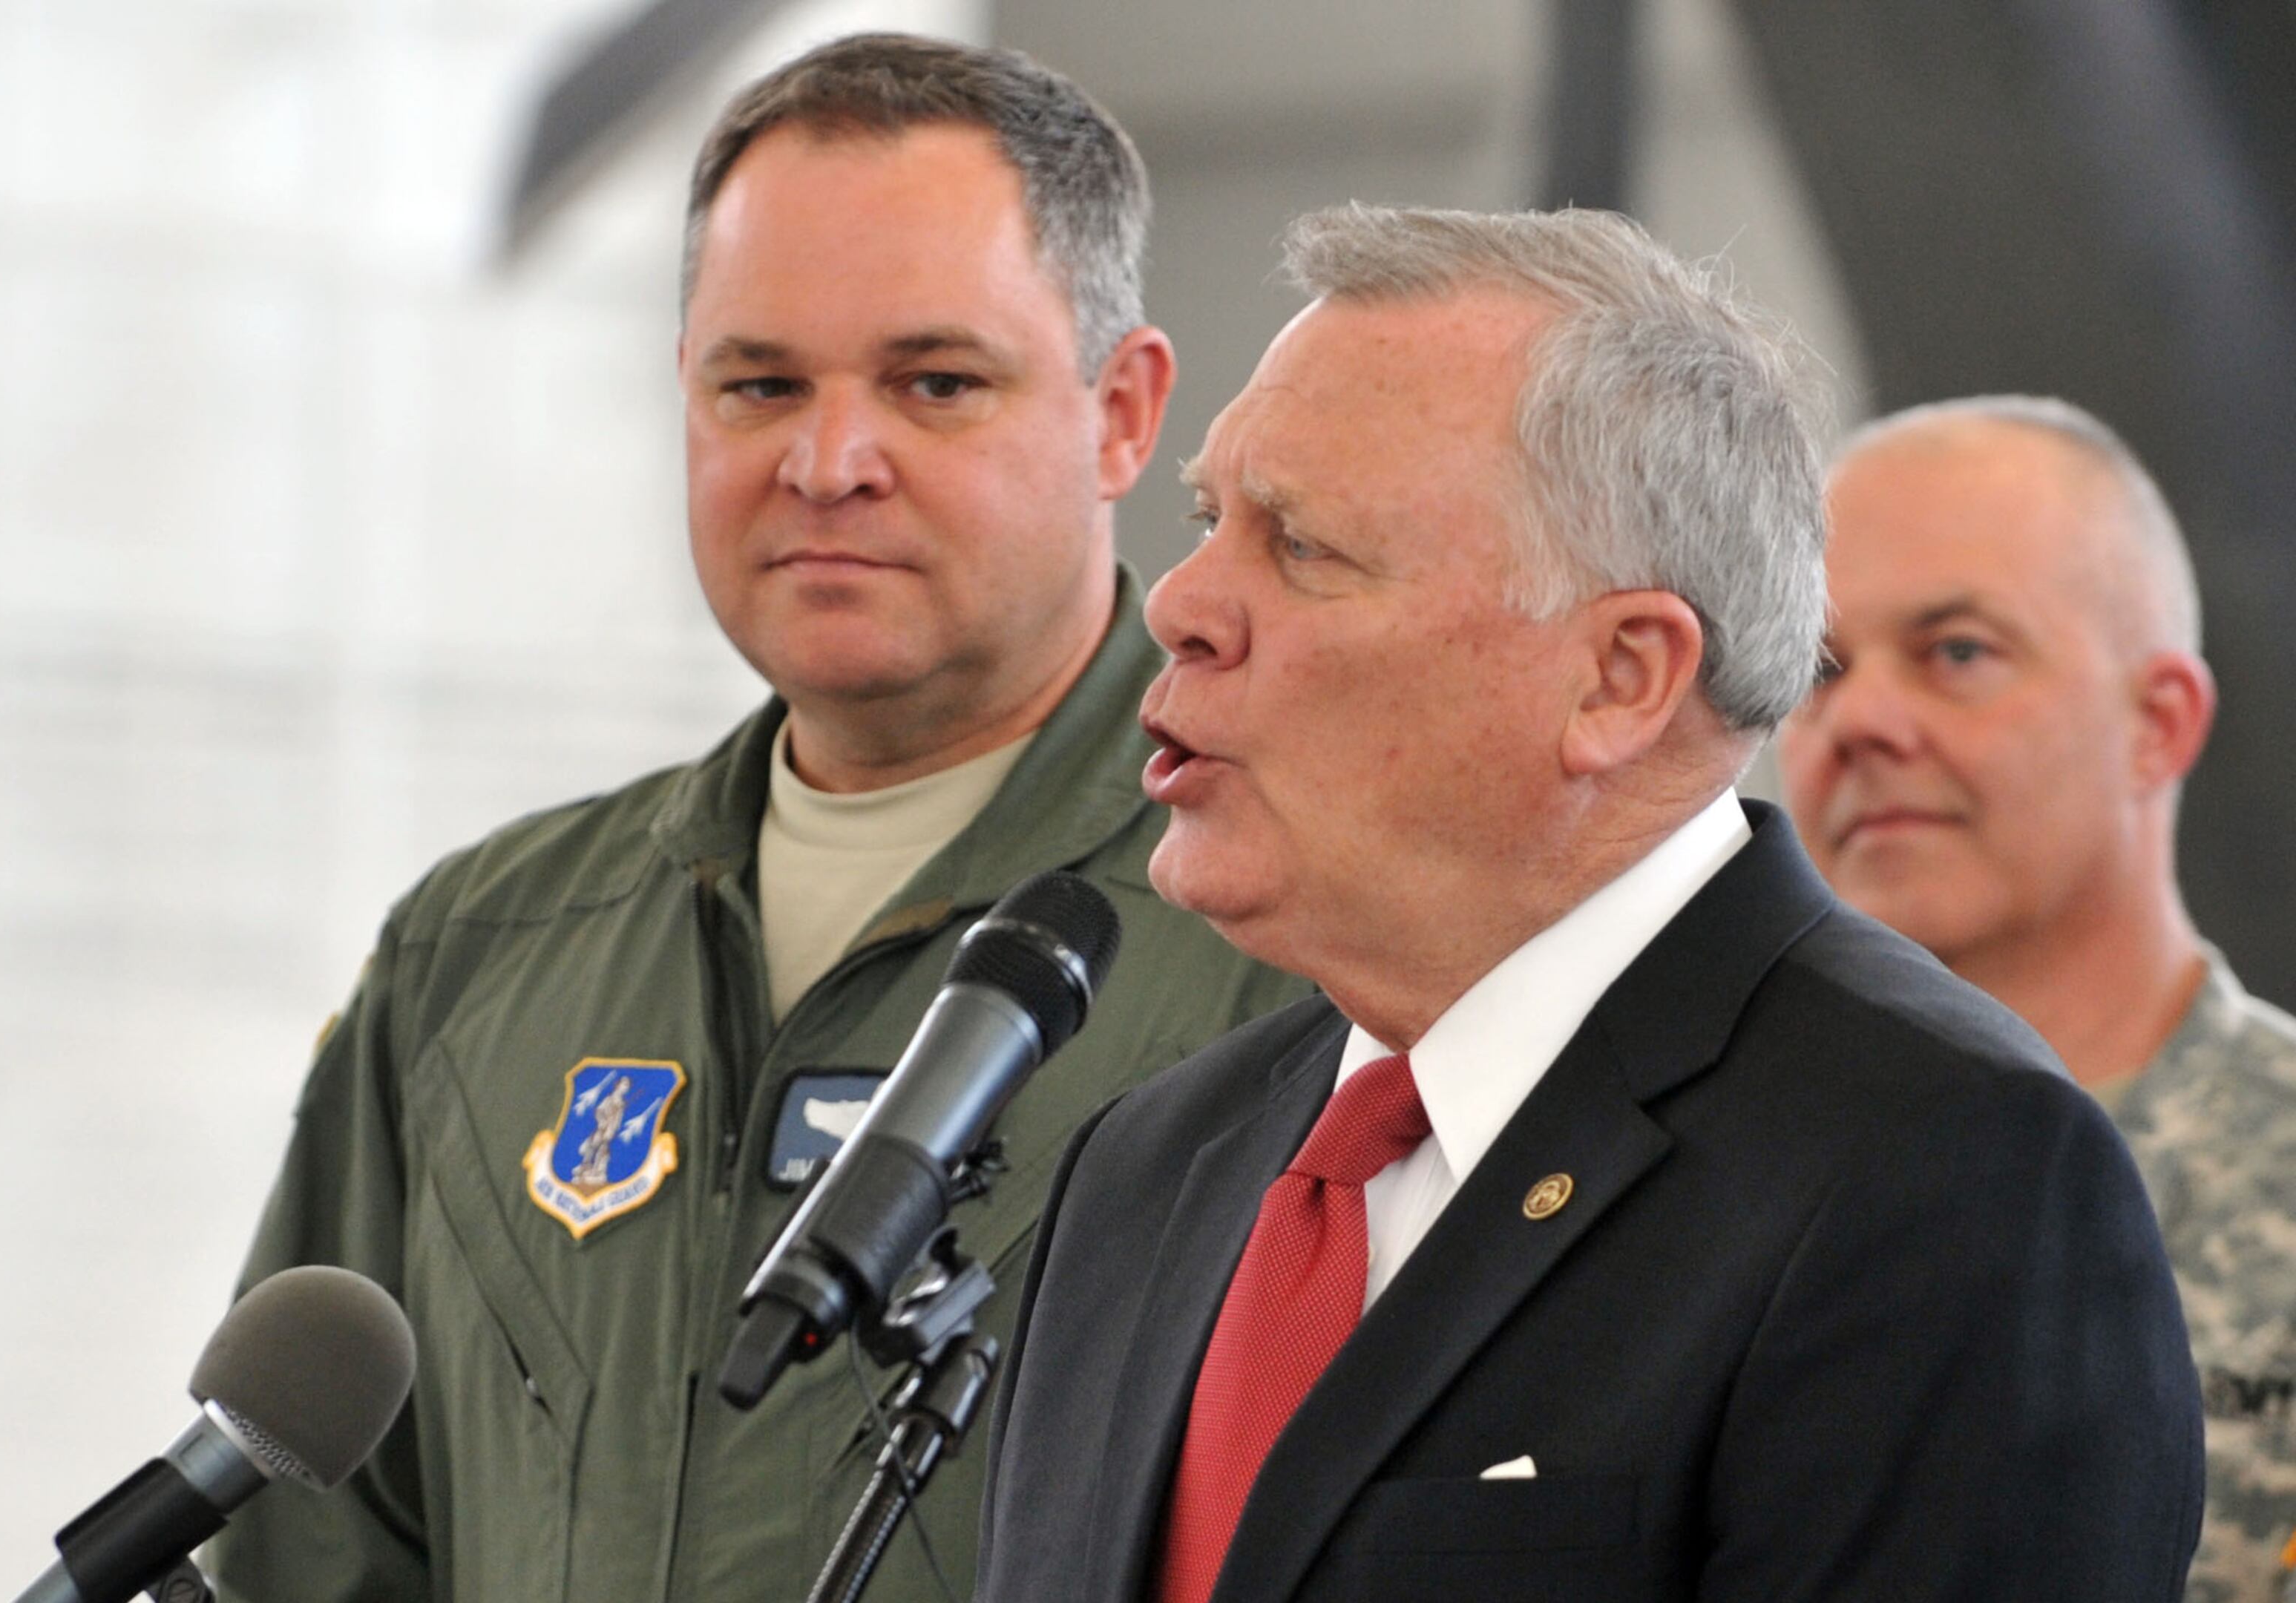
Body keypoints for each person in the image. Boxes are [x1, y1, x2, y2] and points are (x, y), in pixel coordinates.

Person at [204, 33, 1310, 1603]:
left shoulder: (1305, 947)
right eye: (761, 383)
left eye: (936, 382)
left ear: (1122, 413)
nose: (828, 461)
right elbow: (299, 1560)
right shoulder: (480, 960)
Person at [973, 204, 2202, 1603]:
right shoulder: (1150, 1165)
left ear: (1621, 678)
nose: (1182, 602)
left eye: (1302, 546)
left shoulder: (1945, 1171)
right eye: (1208, 521)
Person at [1777, 396, 2296, 1602]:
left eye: (1957, 652)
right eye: (1819, 669)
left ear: (2156, 724)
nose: (1862, 721)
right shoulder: (1692, 1192)